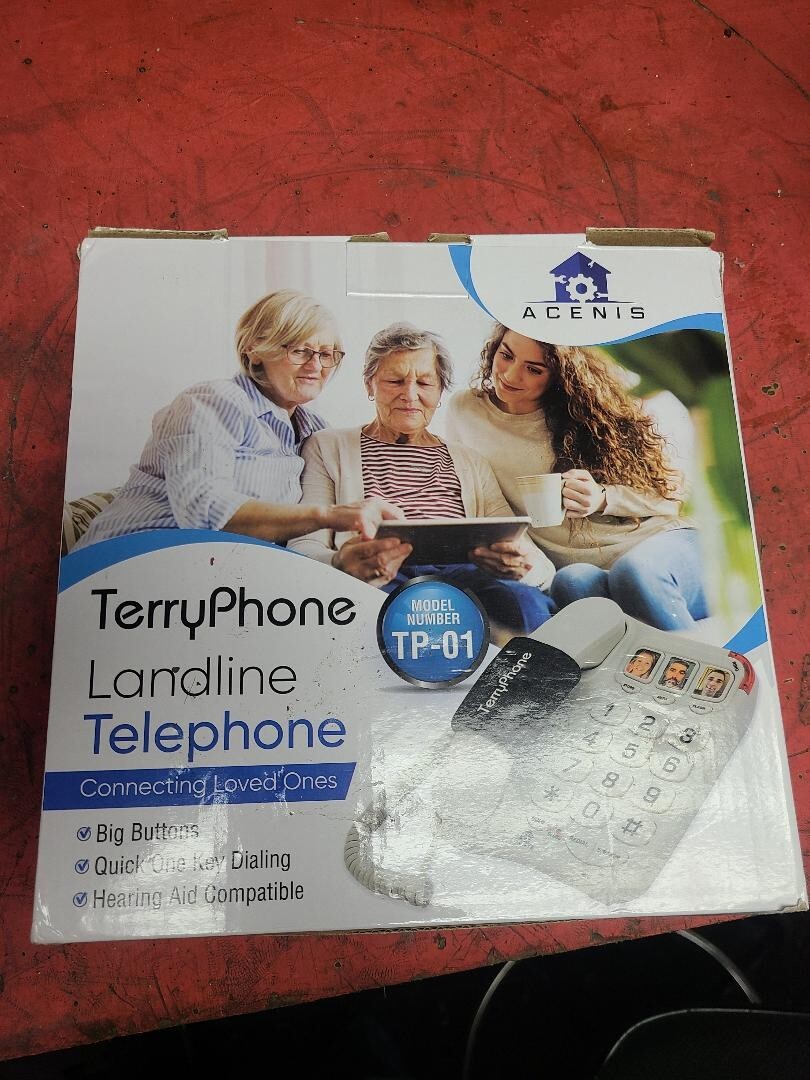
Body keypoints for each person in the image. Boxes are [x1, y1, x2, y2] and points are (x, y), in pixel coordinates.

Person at [77, 290, 399, 549]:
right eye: (300, 350)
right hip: (125, 566)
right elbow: (205, 512)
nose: (316, 365)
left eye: (326, 354)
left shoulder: (315, 431)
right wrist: (327, 515)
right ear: (254, 350)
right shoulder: (212, 402)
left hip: (224, 580)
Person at [290, 323, 556, 634]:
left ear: (440, 390)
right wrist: (340, 563)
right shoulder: (327, 446)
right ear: (369, 385)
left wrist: (522, 565)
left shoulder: (470, 461)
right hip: (380, 577)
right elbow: (303, 546)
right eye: (395, 381)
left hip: (467, 576)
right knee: (371, 612)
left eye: (425, 383)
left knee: (527, 604)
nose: (410, 395)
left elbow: (535, 560)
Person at [445, 325, 707, 631]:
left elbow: (676, 494)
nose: (511, 375)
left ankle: (704, 661)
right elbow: (474, 496)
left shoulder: (596, 412)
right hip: (586, 568)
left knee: (634, 572)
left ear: (561, 375)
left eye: (534, 369)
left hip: (663, 544)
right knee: (569, 582)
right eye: (506, 355)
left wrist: (603, 497)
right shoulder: (466, 411)